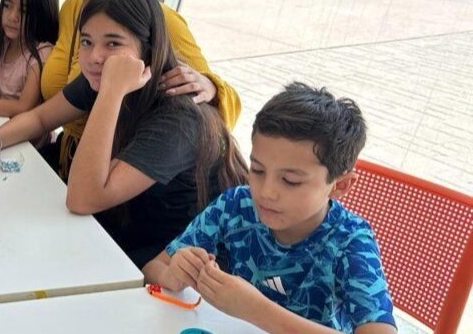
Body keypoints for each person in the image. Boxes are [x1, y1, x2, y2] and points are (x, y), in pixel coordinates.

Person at [0, 0, 247, 267]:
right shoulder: (101, 78)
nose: (95, 56)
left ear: (147, 51)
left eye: (113, 44)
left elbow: (83, 198)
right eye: (86, 42)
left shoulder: (178, 118)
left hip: (174, 257)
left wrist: (111, 90)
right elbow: (40, 118)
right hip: (128, 224)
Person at [143, 83, 396, 334]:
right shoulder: (236, 205)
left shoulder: (350, 241)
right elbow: (154, 268)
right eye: (258, 170)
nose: (265, 192)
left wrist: (255, 309)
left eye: (290, 181)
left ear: (339, 185)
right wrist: (174, 276)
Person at [40, 0, 241, 179]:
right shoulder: (72, 8)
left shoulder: (159, 21)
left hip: (116, 187)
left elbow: (218, 118)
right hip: (66, 166)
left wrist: (210, 86)